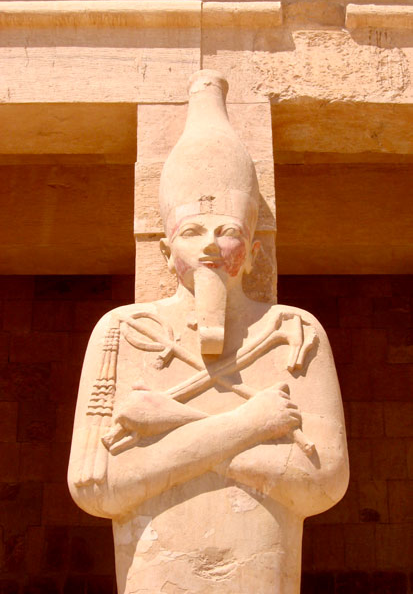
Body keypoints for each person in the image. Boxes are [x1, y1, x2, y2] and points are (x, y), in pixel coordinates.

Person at [68, 70, 349, 594]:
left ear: (253, 252)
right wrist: (250, 424)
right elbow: (98, 484)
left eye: (228, 232)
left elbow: (322, 480)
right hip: (156, 573)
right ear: (165, 251)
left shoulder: (294, 330)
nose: (210, 246)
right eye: (192, 232)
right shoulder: (123, 332)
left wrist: (172, 428)